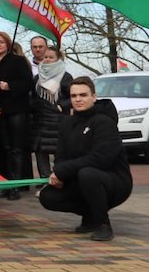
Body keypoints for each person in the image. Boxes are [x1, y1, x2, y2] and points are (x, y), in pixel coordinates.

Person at [38, 76, 133, 242]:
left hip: (114, 181)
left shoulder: (104, 122)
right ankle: (90, 216)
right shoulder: (67, 123)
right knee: (47, 196)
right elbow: (60, 155)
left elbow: (101, 159)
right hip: (81, 178)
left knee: (87, 174)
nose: (78, 99)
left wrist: (62, 171)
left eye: (83, 95)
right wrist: (58, 173)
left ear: (94, 97)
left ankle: (103, 225)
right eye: (74, 96)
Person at [0, 31, 33, 200]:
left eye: (1, 42)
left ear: (7, 44)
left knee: (16, 148)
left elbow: (28, 82)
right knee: (2, 149)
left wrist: (10, 86)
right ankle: (4, 184)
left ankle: (15, 186)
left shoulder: (18, 61)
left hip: (16, 110)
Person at [31, 46, 72, 178]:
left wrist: (61, 106)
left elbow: (73, 97)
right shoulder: (38, 77)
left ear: (58, 59)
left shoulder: (65, 77)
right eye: (45, 57)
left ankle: (60, 179)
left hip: (58, 121)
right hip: (40, 121)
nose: (47, 60)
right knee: (40, 152)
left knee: (59, 152)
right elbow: (32, 96)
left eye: (51, 57)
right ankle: (45, 181)